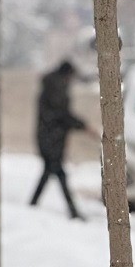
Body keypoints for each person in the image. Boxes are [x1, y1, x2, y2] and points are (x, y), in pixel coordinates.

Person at [30, 60, 89, 219]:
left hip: (51, 137)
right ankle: (72, 211)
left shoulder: (52, 87)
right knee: (58, 173)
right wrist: (83, 126)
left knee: (49, 171)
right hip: (51, 139)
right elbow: (61, 114)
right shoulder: (55, 89)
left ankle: (33, 204)